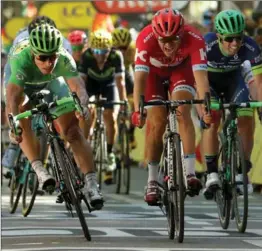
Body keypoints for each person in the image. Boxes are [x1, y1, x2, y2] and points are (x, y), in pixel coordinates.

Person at [5, 23, 103, 210]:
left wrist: (82, 105)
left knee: (72, 131)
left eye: (53, 57)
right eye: (43, 57)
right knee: (20, 113)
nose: (49, 62)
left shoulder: (64, 58)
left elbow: (78, 88)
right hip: (22, 83)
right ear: (34, 54)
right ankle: (39, 169)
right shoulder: (21, 59)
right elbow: (12, 98)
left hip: (51, 83)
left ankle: (91, 184)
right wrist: (14, 123)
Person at [131, 8, 211, 205]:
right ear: (155, 35)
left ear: (182, 33)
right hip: (154, 76)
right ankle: (152, 181)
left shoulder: (194, 38)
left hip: (180, 71)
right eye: (163, 40)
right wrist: (137, 110)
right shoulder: (145, 38)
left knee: (182, 110)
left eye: (173, 39)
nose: (168, 45)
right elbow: (140, 80)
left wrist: (206, 108)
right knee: (157, 121)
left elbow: (201, 79)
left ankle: (190, 172)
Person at [2, 15, 72, 178]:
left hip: (48, 76)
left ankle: (43, 165)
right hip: (20, 72)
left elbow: (67, 75)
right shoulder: (22, 39)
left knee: (51, 118)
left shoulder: (63, 43)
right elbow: (14, 88)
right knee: (18, 103)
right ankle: (13, 143)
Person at [202, 9, 262, 198]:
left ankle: (241, 169)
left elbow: (258, 83)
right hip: (209, 83)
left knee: (246, 117)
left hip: (235, 82)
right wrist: (202, 108)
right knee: (211, 122)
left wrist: (259, 107)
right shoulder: (206, 45)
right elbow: (198, 80)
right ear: (219, 36)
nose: (235, 43)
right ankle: (211, 173)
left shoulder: (251, 47)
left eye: (238, 37)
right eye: (229, 39)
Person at [78, 29, 127, 184]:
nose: (100, 55)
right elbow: (82, 83)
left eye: (104, 51)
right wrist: (82, 103)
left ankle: (110, 151)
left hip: (108, 84)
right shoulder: (86, 57)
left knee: (109, 115)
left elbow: (120, 82)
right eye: (97, 51)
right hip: (91, 84)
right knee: (86, 113)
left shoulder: (116, 56)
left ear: (110, 49)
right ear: (91, 49)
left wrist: (124, 101)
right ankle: (84, 145)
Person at [112, 27, 137, 150]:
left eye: (124, 48)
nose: (121, 52)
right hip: (112, 71)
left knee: (134, 102)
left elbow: (136, 67)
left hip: (126, 71)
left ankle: (131, 132)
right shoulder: (108, 48)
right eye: (118, 48)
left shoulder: (133, 48)